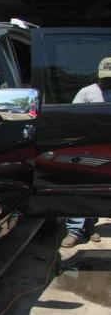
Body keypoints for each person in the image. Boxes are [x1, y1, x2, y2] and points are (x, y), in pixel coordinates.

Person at [61, 56, 111, 248]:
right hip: (87, 148)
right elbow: (72, 119)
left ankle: (90, 227)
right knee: (81, 187)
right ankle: (74, 230)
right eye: (106, 78)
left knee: (96, 191)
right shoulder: (86, 92)